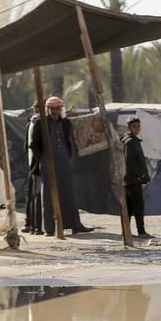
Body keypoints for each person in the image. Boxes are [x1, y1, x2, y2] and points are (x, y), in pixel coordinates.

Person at [29, 97, 92, 235]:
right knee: (49, 196)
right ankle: (50, 229)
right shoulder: (40, 123)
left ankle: (74, 225)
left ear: (60, 109)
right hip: (47, 163)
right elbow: (33, 144)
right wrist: (43, 159)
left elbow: (69, 141)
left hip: (64, 162)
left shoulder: (65, 123)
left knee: (68, 193)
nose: (55, 111)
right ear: (48, 109)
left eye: (57, 108)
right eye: (52, 108)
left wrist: (68, 158)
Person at [122, 117, 151, 237]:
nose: (137, 128)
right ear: (129, 127)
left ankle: (126, 232)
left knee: (129, 207)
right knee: (138, 206)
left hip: (128, 179)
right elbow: (130, 161)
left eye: (138, 126)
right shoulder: (130, 142)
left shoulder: (132, 140)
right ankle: (141, 231)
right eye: (134, 126)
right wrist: (141, 174)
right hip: (133, 179)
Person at [22, 105, 43, 235]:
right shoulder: (37, 123)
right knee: (36, 195)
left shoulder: (31, 123)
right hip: (37, 166)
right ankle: (35, 226)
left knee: (31, 195)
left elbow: (26, 146)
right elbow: (31, 145)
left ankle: (30, 224)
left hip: (33, 164)